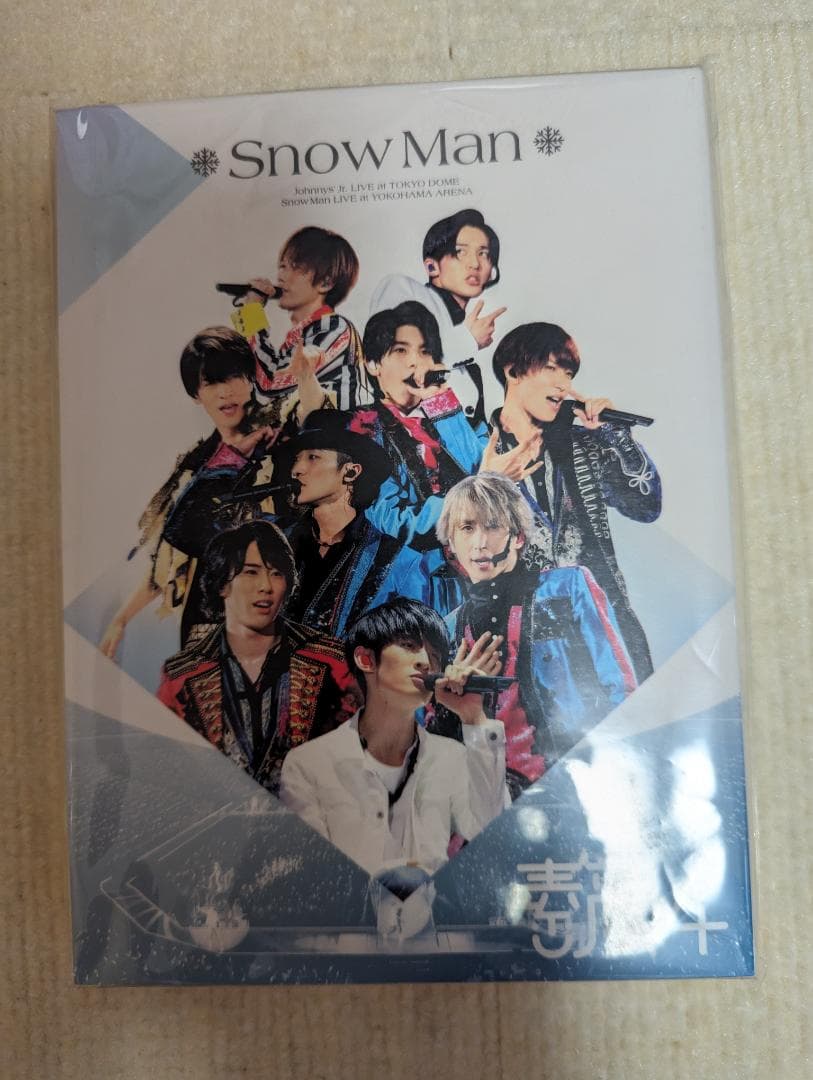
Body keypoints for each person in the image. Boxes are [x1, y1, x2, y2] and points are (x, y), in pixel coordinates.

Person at [437, 472, 637, 798]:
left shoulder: (568, 587)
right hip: (490, 793)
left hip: (576, 782)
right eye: (467, 528)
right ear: (451, 543)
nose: (480, 542)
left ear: (517, 537)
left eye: (493, 526)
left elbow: (621, 686)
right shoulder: (448, 629)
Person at [279, 598, 508, 876]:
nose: (425, 662)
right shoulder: (309, 764)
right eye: (409, 645)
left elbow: (493, 832)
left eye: (435, 654)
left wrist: (474, 717)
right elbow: (310, 871)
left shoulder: (450, 757)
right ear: (366, 659)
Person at [99, 327, 292, 657]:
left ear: (251, 379)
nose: (225, 392)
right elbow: (170, 558)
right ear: (196, 394)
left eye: (233, 377)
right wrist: (121, 619)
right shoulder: (195, 464)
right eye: (211, 383)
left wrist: (252, 312)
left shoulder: (279, 439)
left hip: (270, 620)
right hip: (205, 624)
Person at [489, 322, 662, 681]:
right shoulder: (475, 446)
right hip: (521, 639)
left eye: (568, 374)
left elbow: (646, 506)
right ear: (513, 371)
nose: (562, 384)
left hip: (599, 627)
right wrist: (488, 483)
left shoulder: (583, 445)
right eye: (551, 368)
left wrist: (615, 435)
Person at [351, 301, 539, 615]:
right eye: (401, 351)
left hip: (479, 583)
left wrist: (442, 406)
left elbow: (489, 476)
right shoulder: (361, 430)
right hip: (409, 588)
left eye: (425, 352)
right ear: (372, 364)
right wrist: (483, 483)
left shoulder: (456, 418)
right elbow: (396, 521)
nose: (416, 362)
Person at [157, 520, 357, 795]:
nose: (266, 586)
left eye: (276, 574)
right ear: (222, 584)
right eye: (251, 572)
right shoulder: (182, 676)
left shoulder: (331, 661)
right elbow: (166, 772)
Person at [270, 409, 430, 635]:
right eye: (296, 459)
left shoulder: (400, 561)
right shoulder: (274, 541)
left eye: (313, 457)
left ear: (351, 472)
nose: (296, 470)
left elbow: (412, 645)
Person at [369, 208, 507, 425]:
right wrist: (468, 340)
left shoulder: (471, 367)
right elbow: (394, 361)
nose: (475, 263)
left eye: (484, 253)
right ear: (432, 266)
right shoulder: (403, 289)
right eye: (461, 252)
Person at [241, 225, 369, 423]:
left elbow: (269, 383)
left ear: (325, 283)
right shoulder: (306, 333)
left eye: (295, 267)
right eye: (282, 266)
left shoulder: (335, 329)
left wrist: (251, 313)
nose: (281, 277)